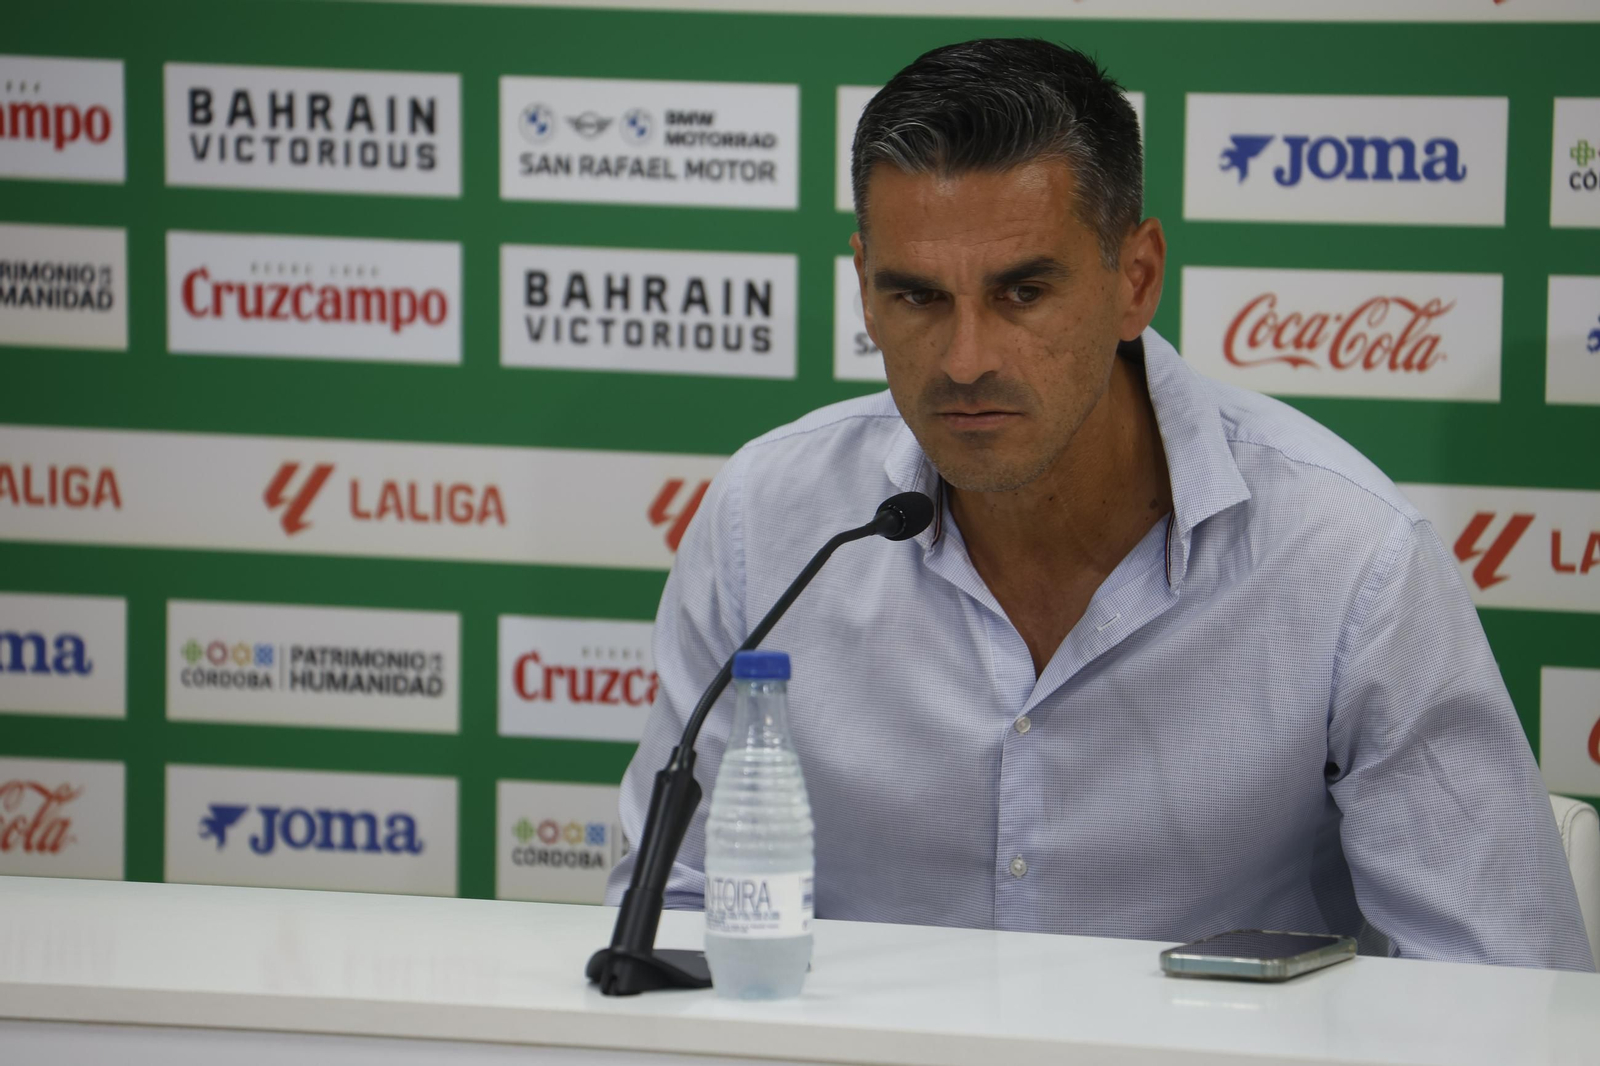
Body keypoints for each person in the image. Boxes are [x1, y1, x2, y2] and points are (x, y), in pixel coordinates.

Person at [605, 38, 1594, 971]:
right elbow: (675, 913)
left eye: (1023, 293)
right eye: (914, 297)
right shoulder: (766, 521)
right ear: (863, 286)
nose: (964, 360)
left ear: (1136, 278)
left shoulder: (1349, 560)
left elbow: (1494, 988)